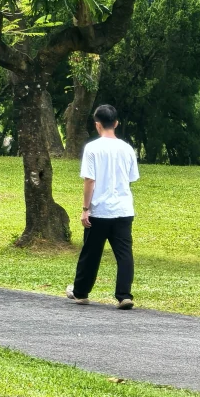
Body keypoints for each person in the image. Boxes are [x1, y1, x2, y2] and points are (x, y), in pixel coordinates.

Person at [67, 103, 139, 310]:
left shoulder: (92, 148)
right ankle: (124, 295)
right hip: (123, 209)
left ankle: (80, 292)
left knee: (91, 252)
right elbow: (131, 178)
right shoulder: (127, 149)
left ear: (97, 125)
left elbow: (90, 180)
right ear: (116, 123)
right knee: (124, 253)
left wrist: (85, 209)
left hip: (99, 210)